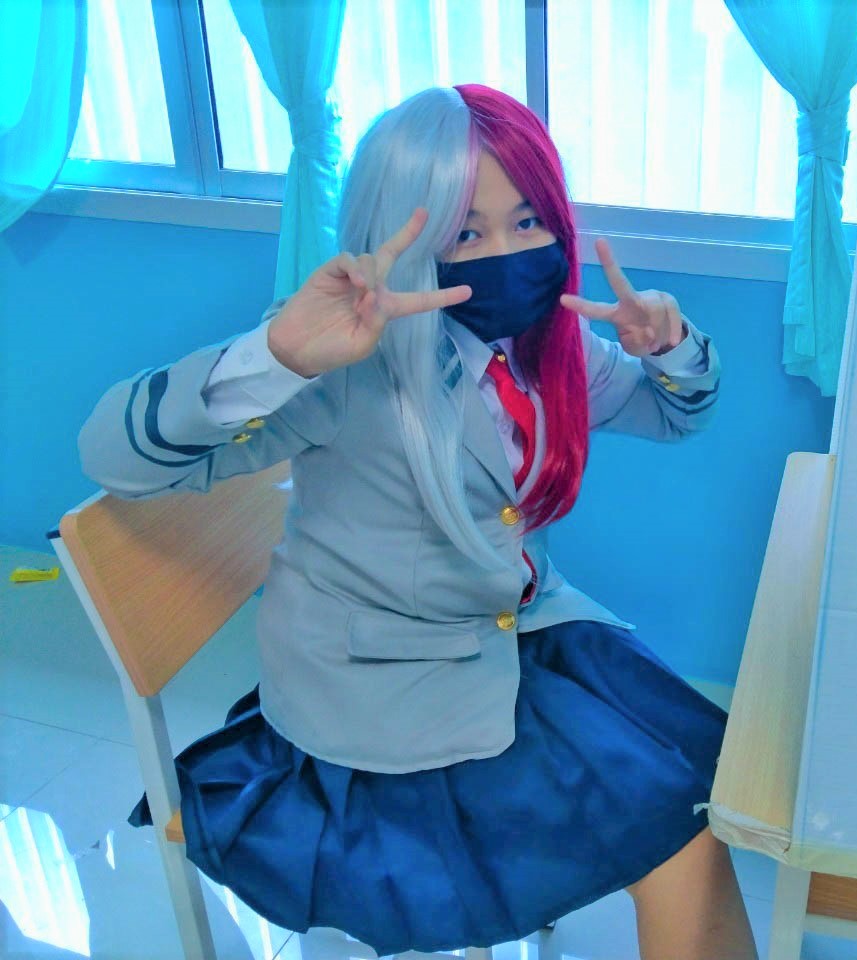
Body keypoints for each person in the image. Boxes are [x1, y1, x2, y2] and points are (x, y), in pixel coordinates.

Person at [78, 84, 757, 960]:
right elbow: (113, 455)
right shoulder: (342, 369)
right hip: (383, 694)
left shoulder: (551, 348)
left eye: (528, 221)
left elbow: (677, 414)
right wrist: (273, 356)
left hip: (515, 633)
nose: (506, 253)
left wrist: (672, 348)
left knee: (703, 806)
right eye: (466, 233)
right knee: (678, 843)